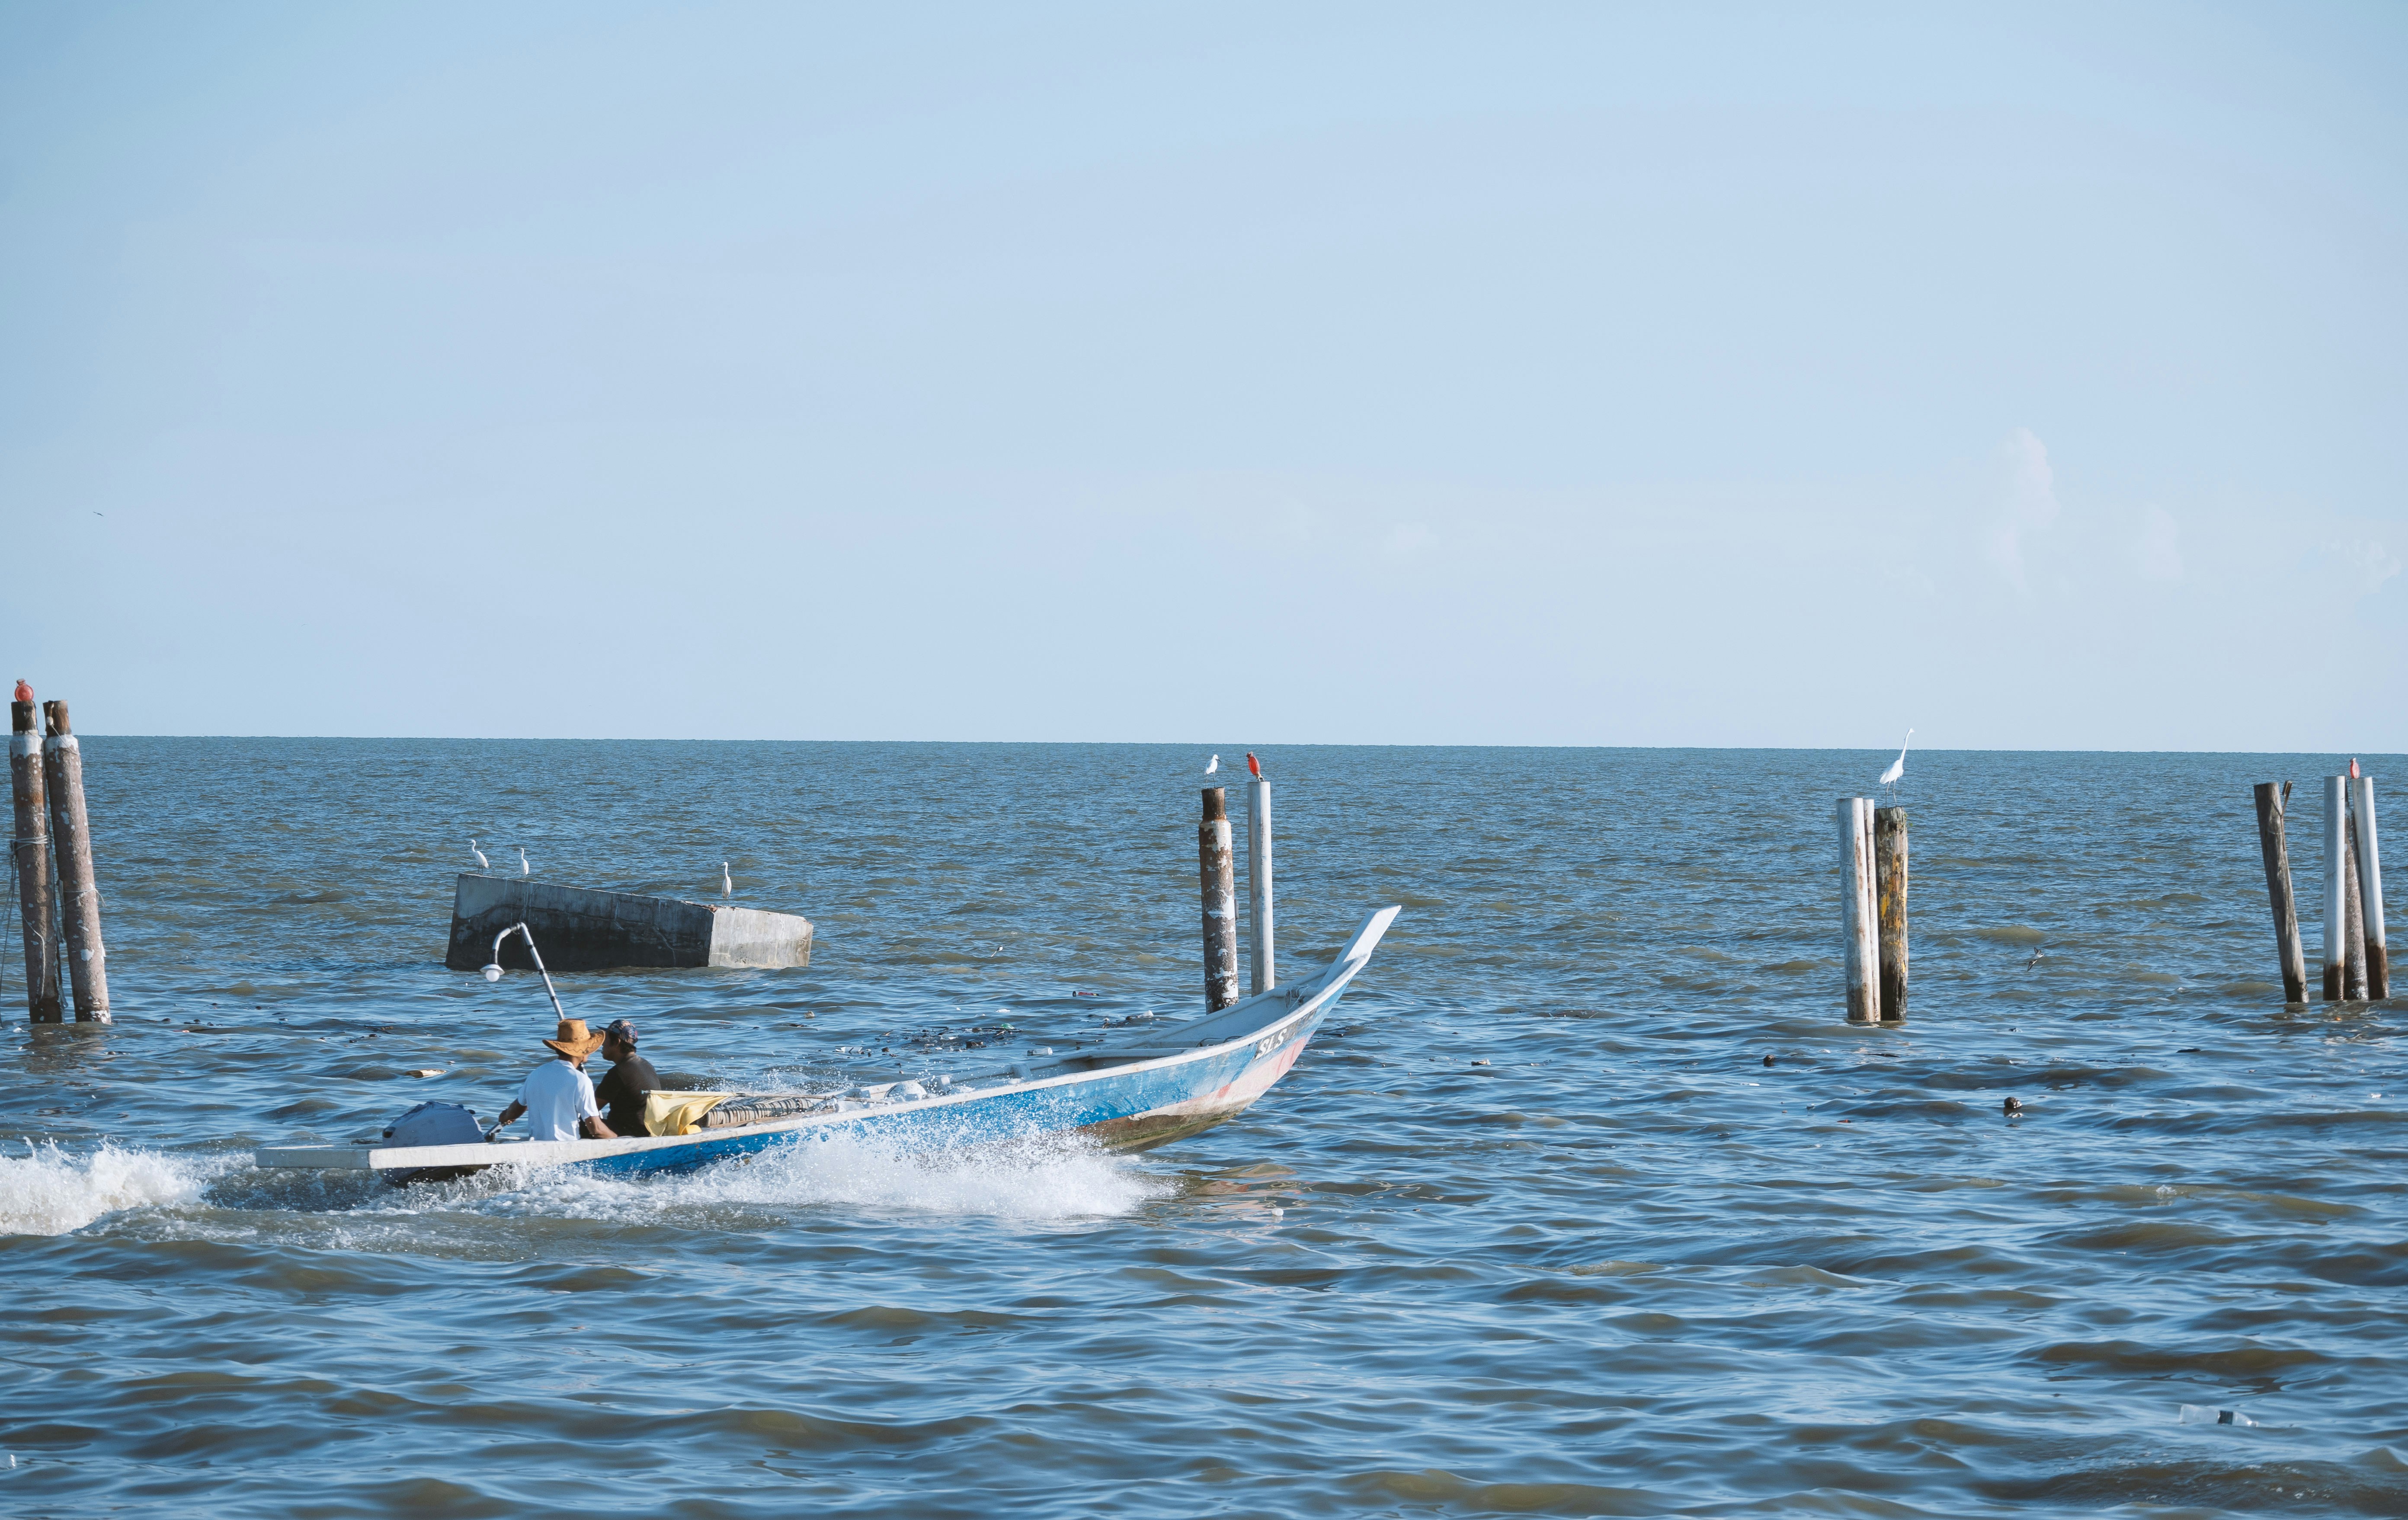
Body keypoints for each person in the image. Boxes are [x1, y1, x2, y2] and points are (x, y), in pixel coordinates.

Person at [495, 1018, 617, 1140]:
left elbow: (513, 1113)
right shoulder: (580, 1080)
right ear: (583, 1050)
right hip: (566, 1149)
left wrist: (504, 1117)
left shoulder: (536, 1074)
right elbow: (596, 1129)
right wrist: (620, 1140)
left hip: (537, 1146)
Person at [589, 1019, 660, 1140]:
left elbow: (591, 1109)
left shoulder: (619, 1072)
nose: (602, 1044)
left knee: (580, 1125)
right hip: (648, 1130)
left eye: (605, 1039)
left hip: (627, 1134)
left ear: (617, 1042)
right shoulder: (646, 1065)